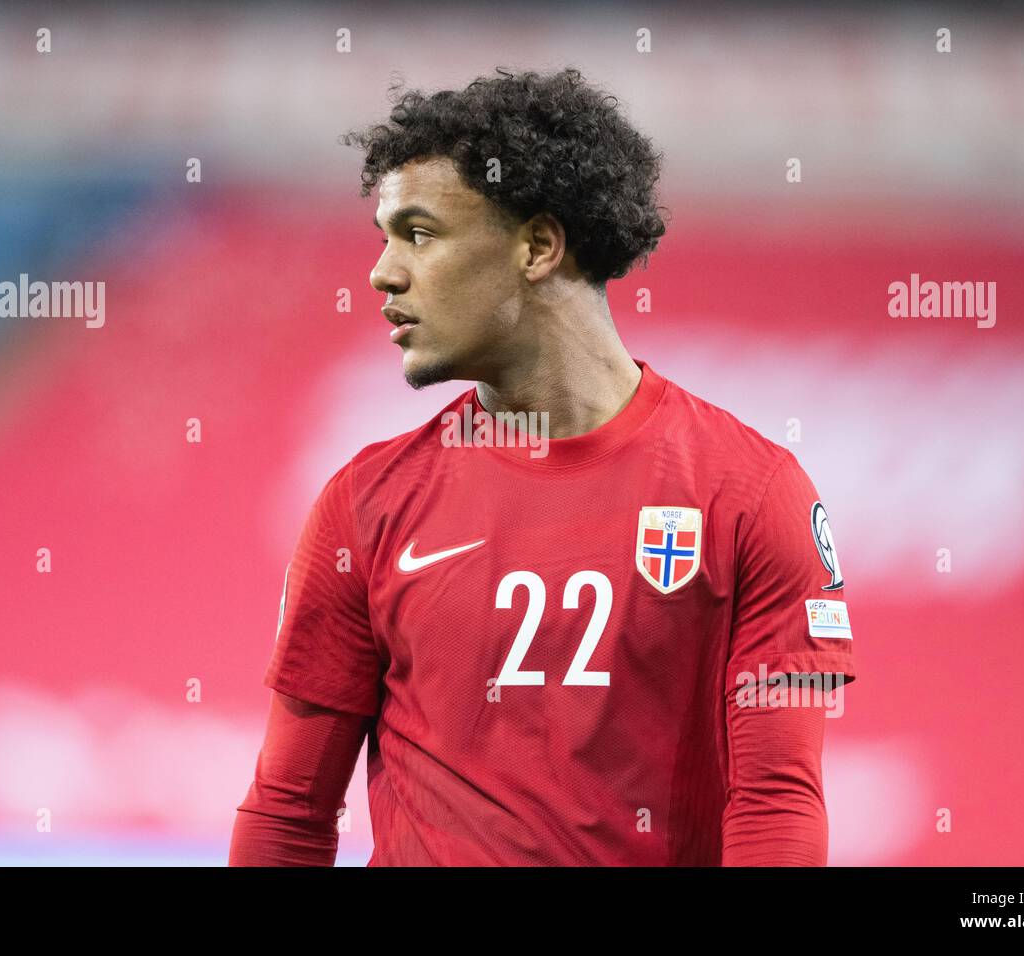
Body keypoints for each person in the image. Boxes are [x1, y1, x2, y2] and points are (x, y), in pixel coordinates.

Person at [229, 67, 856, 866]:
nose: (383, 272)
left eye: (418, 234)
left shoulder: (750, 496)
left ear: (537, 245)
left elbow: (777, 810)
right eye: (383, 237)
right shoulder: (364, 506)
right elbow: (288, 812)